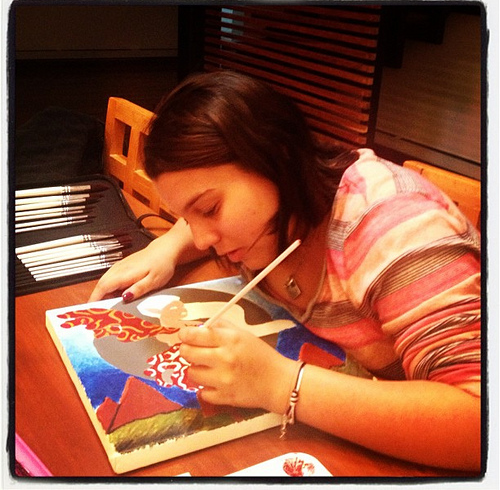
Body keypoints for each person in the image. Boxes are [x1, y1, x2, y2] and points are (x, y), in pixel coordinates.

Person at [89, 70, 481, 472]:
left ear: (276, 158)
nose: (202, 239)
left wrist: (282, 385)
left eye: (209, 209)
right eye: (189, 216)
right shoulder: (276, 204)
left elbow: (477, 427)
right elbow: (202, 210)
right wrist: (167, 248)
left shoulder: (393, 229)